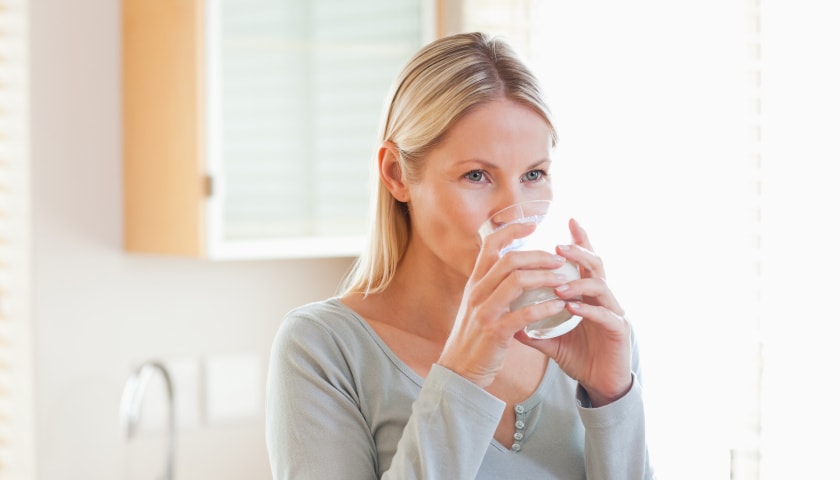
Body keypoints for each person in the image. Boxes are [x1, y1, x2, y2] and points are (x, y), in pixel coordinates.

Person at [266, 32, 654, 479]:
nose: (518, 217)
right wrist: (464, 375)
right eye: (476, 175)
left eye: (533, 174)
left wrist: (612, 399)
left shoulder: (587, 337)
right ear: (396, 175)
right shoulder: (323, 350)